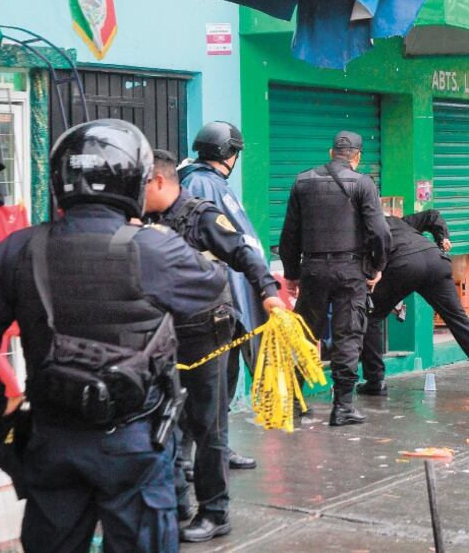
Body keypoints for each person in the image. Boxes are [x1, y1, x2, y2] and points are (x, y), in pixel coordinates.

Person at [0, 119, 228, 552]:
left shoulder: (21, 248)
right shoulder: (154, 248)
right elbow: (213, 285)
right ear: (133, 179)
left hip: (50, 436)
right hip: (134, 440)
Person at [144, 150, 284, 543]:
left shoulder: (202, 215)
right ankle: (176, 503)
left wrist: (268, 292)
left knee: (208, 426)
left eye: (141, 185)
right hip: (163, 333)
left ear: (159, 181)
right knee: (165, 421)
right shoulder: (146, 220)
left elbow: (245, 253)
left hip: (206, 332)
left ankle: (215, 511)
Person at [279, 130, 391, 426]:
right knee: (348, 336)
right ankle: (342, 406)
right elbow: (380, 232)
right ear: (357, 157)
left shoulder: (303, 181)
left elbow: (289, 233)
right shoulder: (363, 184)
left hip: (313, 270)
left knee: (304, 336)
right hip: (349, 272)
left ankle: (293, 402)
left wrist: (291, 273)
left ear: (332, 153)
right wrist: (377, 267)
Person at [356, 209, 469, 397]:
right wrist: (442, 238)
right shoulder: (396, 221)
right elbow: (432, 215)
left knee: (372, 316)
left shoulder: (360, 229)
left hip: (403, 266)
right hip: (435, 261)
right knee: (460, 321)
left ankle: (375, 381)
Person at [178, 121, 262, 471]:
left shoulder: (193, 179)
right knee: (213, 381)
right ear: (229, 153)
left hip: (210, 297)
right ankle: (191, 455)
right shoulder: (204, 184)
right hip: (215, 299)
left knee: (217, 380)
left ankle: (208, 450)